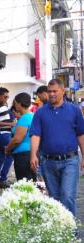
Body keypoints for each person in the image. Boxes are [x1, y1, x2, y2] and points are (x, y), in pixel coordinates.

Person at [30, 79, 84, 216]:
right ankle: (59, 233)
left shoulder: (74, 110)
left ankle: (71, 233)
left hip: (70, 161)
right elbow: (35, 134)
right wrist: (33, 155)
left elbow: (80, 135)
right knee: (54, 199)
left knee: (67, 196)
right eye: (49, 91)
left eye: (55, 91)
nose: (52, 94)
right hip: (48, 162)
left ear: (63, 91)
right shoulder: (40, 112)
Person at [5, 92, 35, 181]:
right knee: (31, 182)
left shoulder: (24, 118)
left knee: (24, 183)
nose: (15, 106)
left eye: (15, 103)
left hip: (23, 156)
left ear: (19, 103)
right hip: (31, 153)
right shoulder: (32, 116)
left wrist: (8, 148)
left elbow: (17, 139)